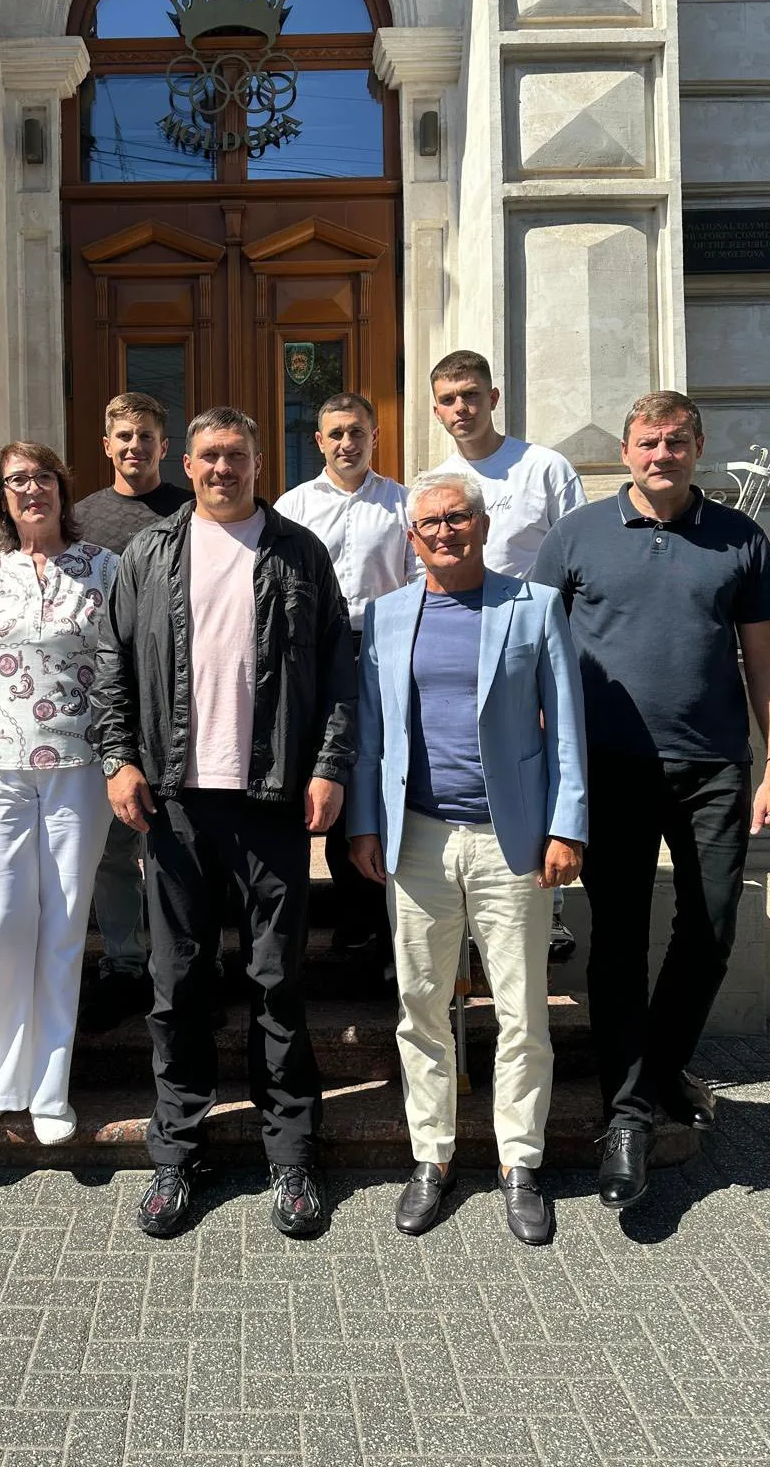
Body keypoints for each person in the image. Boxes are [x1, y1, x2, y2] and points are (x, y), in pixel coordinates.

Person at [93, 407, 356, 1239]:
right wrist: (118, 758)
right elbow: (111, 663)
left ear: (256, 462)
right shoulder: (150, 552)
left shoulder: (298, 552)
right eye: (209, 455)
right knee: (177, 983)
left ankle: (292, 1153)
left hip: (271, 798)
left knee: (277, 980)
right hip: (175, 801)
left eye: (235, 455)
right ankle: (176, 1152)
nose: (221, 469)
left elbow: (339, 673)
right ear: (190, 463)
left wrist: (329, 765)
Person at [532, 392, 770, 1209]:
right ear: (625, 450)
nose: (661, 456)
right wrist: (546, 770)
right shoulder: (576, 535)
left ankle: (655, 1072)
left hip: (713, 767)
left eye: (676, 442)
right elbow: (537, 654)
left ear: (697, 447)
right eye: (648, 443)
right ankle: (627, 1118)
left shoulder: (741, 539)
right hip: (610, 768)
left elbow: (767, 661)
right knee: (616, 940)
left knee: (711, 929)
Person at [347, 471, 587, 1244]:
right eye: (431, 523)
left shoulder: (534, 607)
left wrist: (568, 827)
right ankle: (433, 1156)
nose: (445, 532)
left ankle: (520, 1162)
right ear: (411, 538)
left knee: (521, 1012)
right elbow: (372, 732)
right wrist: (364, 824)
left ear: (482, 525)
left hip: (508, 838)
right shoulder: (387, 615)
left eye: (458, 518)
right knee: (421, 1006)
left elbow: (568, 727)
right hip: (417, 836)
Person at [0, 443, 117, 1147]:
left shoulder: (102, 567)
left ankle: (49, 1091)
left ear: (61, 488)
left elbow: (115, 664)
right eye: (17, 480)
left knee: (65, 923)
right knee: (2, 920)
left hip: (79, 765)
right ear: (2, 496)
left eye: (43, 477)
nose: (32, 489)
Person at [431, 349, 588, 959]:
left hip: (532, 647)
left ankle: (549, 905)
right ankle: (469, 925)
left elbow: (579, 566)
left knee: (536, 769)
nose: (461, 408)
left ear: (493, 398)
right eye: (448, 399)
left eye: (471, 395)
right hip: (459, 651)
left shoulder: (544, 467)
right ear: (437, 410)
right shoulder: (438, 480)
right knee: (475, 780)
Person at [274, 392, 414, 966]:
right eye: (335, 433)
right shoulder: (294, 507)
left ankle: (377, 922)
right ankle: (335, 922)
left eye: (357, 432)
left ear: (374, 436)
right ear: (319, 441)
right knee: (324, 774)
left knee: (373, 782)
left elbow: (419, 580)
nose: (347, 443)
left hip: (384, 650)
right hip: (311, 656)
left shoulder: (404, 503)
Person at [74, 392, 193, 1032]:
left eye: (146, 436)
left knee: (184, 847)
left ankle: (192, 960)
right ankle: (123, 960)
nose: (135, 447)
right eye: (124, 436)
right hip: (112, 700)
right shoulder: (82, 517)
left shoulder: (191, 509)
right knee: (115, 846)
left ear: (163, 447)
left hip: (183, 705)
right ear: (107, 445)